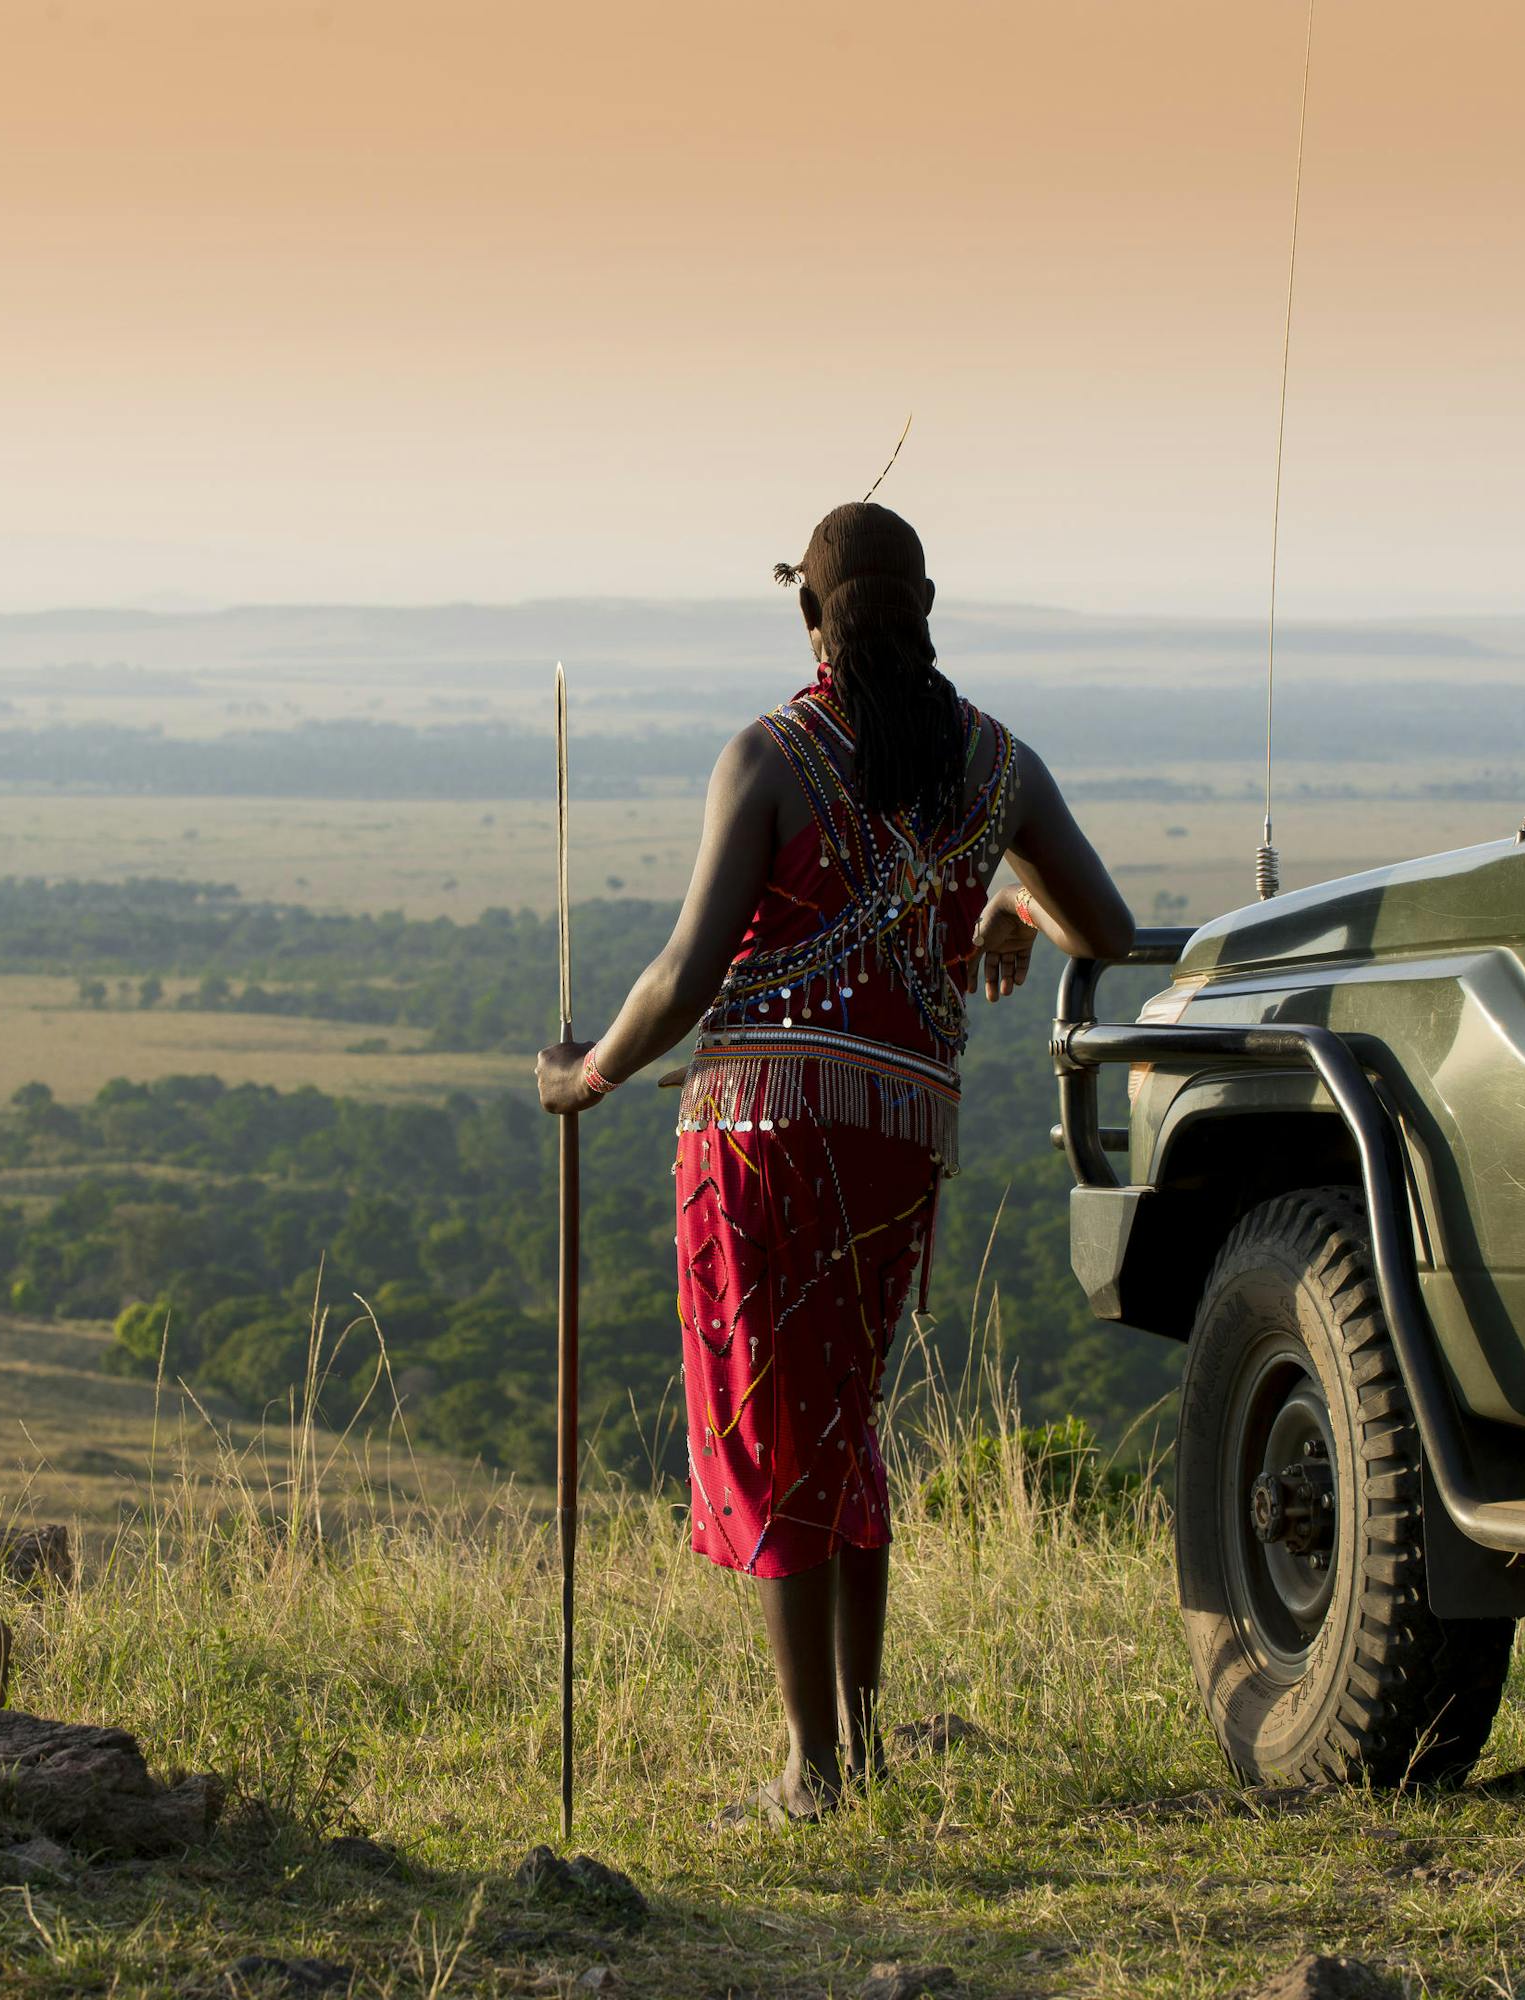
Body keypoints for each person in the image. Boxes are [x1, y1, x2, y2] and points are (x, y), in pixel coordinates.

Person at [536, 501, 1132, 1821]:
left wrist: (586, 1075)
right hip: (897, 1147)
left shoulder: (772, 756)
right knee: (846, 1427)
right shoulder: (997, 769)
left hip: (760, 1138)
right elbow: (1111, 924)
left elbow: (689, 973)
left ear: (811, 618)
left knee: (773, 1433)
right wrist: (1009, 904)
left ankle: (812, 1767)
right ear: (929, 609)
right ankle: (854, 1743)